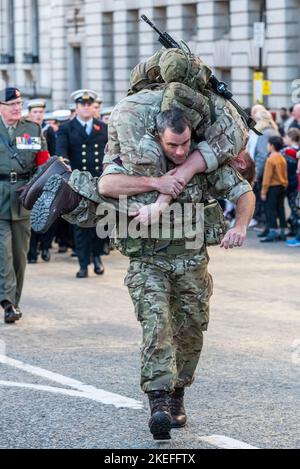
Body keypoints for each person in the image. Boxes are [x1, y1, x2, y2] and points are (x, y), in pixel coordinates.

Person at [26, 109, 255, 440]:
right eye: (173, 145)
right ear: (158, 138)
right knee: (157, 323)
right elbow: (108, 183)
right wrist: (156, 182)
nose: (179, 151)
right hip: (147, 261)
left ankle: (177, 394)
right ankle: (159, 402)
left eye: (185, 143)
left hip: (190, 263)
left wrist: (241, 225)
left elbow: (243, 192)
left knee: (190, 332)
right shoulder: (139, 159)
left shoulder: (203, 166)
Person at [0, 87, 49, 323]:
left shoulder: (33, 129)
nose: (17, 108)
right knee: (3, 253)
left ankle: (14, 303)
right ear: (1, 107)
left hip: (23, 198)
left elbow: (43, 164)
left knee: (20, 255)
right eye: (11, 105)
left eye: (19, 104)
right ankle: (7, 301)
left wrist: (38, 188)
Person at [55, 89, 108, 277]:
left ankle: (97, 257)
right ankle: (83, 264)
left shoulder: (103, 128)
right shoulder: (66, 129)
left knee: (100, 223)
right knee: (80, 225)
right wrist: (68, 175)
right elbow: (61, 155)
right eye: (82, 104)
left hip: (100, 184)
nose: (86, 107)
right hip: (77, 184)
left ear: (93, 107)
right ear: (76, 107)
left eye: (89, 104)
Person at [27, 99, 54, 263]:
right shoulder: (26, 131)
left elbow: (50, 155)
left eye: (40, 112)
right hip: (30, 180)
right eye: (34, 112)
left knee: (46, 215)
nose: (38, 115)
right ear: (29, 113)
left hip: (45, 177)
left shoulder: (47, 131)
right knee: (30, 217)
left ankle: (44, 247)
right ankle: (31, 251)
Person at [260, 136, 288, 243]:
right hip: (282, 186)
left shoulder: (270, 159)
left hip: (272, 187)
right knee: (280, 209)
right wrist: (285, 184)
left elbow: (267, 177)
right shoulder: (282, 158)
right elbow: (285, 174)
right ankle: (282, 232)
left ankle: (272, 232)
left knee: (271, 209)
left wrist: (263, 191)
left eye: (268, 144)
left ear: (271, 146)